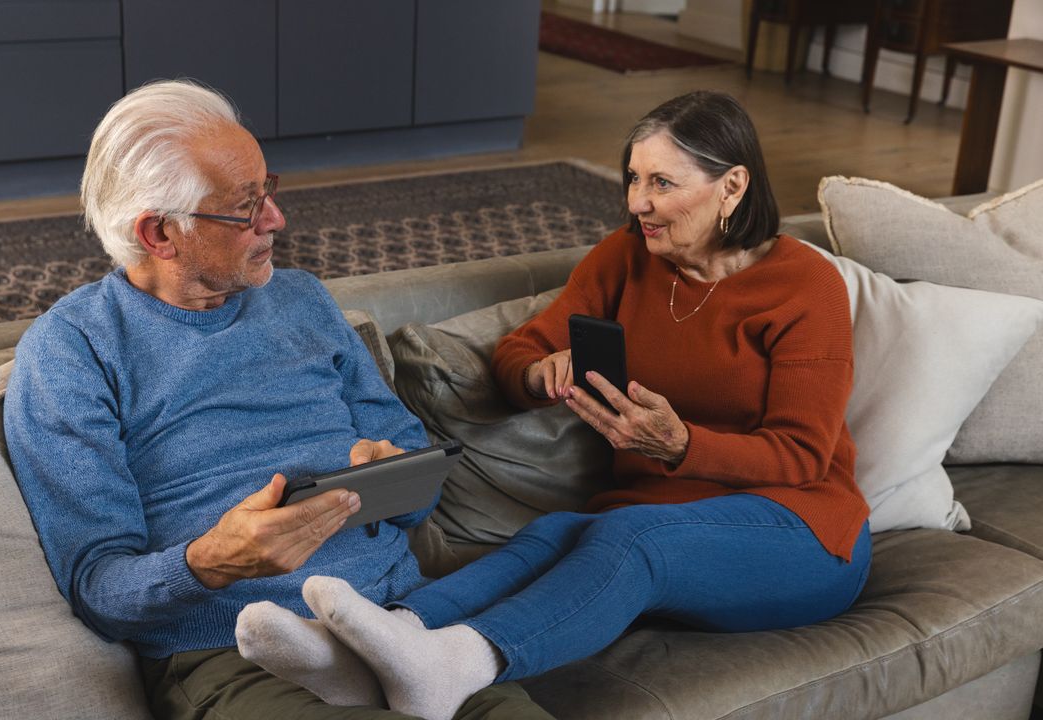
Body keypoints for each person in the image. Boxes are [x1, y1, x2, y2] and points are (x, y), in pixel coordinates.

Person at [241, 90, 873, 720]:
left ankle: (456, 664)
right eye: (632, 177)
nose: (637, 202)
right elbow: (521, 350)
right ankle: (360, 646)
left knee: (628, 534)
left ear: (732, 186)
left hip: (801, 533)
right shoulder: (628, 259)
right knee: (553, 533)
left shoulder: (803, 286)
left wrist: (681, 445)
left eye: (662, 182)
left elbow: (802, 456)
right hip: (656, 516)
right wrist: (538, 375)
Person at [2, 79, 553, 720]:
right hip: (232, 650)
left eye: (269, 190)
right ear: (158, 233)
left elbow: (417, 477)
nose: (275, 219)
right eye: (245, 207)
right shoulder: (74, 350)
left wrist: (395, 479)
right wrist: (208, 563)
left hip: (402, 628)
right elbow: (98, 588)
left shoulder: (302, 300)